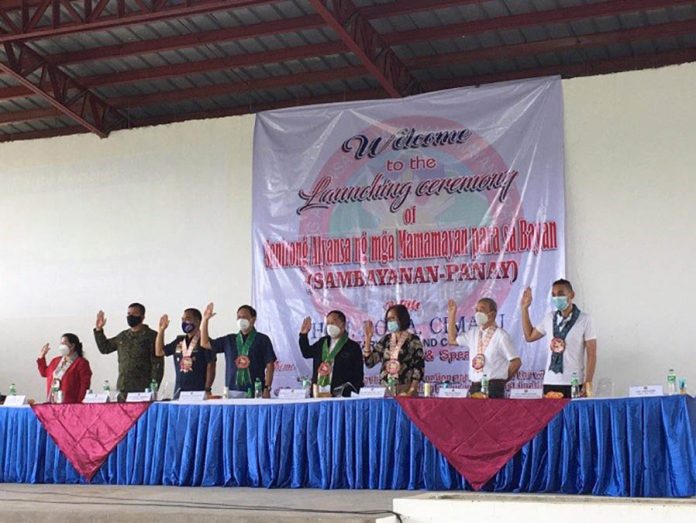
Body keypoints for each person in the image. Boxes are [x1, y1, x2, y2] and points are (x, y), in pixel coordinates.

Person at [520, 279, 597, 398]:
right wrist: (524, 309)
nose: (557, 298)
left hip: (574, 382)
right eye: (553, 295)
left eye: (561, 294)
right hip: (550, 381)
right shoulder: (549, 318)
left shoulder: (585, 319)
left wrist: (588, 382)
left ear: (572, 295)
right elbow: (529, 336)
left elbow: (591, 354)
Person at [447, 298, 521, 398]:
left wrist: (502, 379)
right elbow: (452, 340)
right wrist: (452, 315)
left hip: (494, 388)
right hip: (475, 386)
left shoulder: (501, 335)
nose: (477, 313)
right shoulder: (473, 333)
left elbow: (516, 362)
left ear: (492, 314)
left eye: (481, 310)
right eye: (476, 310)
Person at [200, 303, 276, 398]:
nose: (240, 319)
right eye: (238, 317)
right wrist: (205, 320)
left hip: (255, 391)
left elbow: (270, 365)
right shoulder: (229, 339)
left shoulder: (262, 339)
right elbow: (205, 343)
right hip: (231, 391)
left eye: (244, 317)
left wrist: (267, 388)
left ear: (253, 319)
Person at [94, 303, 163, 400]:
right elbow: (105, 348)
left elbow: (158, 364)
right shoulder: (123, 336)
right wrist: (99, 330)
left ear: (142, 317)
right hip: (123, 388)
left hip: (143, 389)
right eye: (128, 313)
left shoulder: (152, 336)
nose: (130, 316)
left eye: (134, 314)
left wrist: (154, 388)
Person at [298, 310, 364, 397]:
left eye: (333, 322)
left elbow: (358, 375)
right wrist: (303, 335)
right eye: (328, 323)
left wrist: (351, 392)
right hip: (318, 393)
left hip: (341, 396)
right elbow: (306, 353)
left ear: (343, 325)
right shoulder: (322, 342)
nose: (330, 325)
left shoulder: (353, 347)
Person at [363, 304, 424, 396]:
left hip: (405, 388)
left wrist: (412, 389)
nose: (390, 322)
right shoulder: (385, 340)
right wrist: (368, 339)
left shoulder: (413, 340)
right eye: (388, 320)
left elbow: (418, 367)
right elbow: (370, 363)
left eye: (393, 318)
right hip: (386, 388)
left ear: (402, 318)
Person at [155, 308, 216, 399]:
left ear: (198, 321)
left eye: (187, 318)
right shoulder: (179, 341)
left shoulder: (205, 342)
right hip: (179, 392)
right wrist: (161, 331)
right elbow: (159, 352)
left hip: (198, 391)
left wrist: (207, 389)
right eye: (182, 319)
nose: (184, 322)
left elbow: (211, 365)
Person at [37, 333, 92, 403]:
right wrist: (42, 356)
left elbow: (84, 385)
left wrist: (79, 403)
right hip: (52, 402)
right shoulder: (55, 361)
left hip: (70, 404)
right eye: (61, 343)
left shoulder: (81, 363)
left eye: (64, 343)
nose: (61, 345)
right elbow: (44, 373)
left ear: (72, 346)